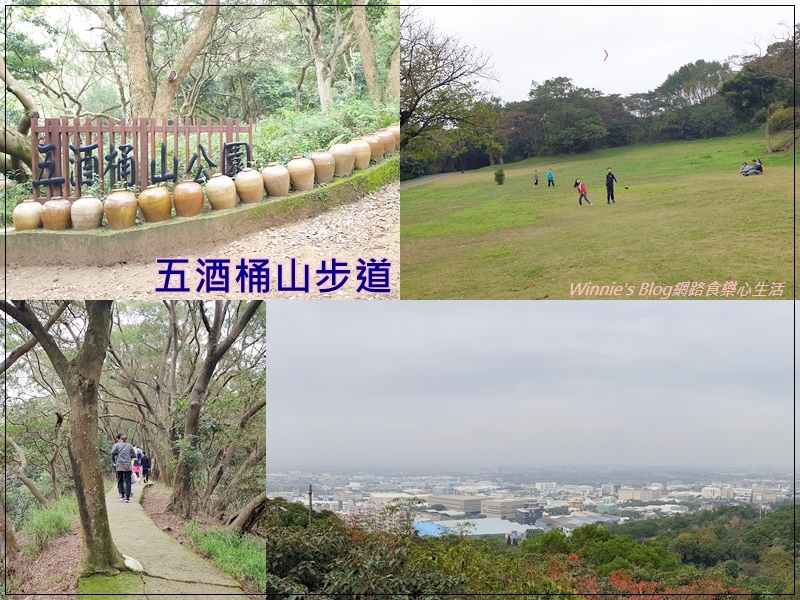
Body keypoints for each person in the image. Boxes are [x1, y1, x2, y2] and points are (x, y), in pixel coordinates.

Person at [111, 434, 134, 502]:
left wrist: (117, 454)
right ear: (126, 440)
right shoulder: (130, 446)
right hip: (128, 465)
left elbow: (112, 453)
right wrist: (129, 457)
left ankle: (122, 495)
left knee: (120, 480)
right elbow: (134, 455)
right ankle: (127, 497)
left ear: (120, 439)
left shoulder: (117, 445)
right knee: (128, 481)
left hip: (120, 464)